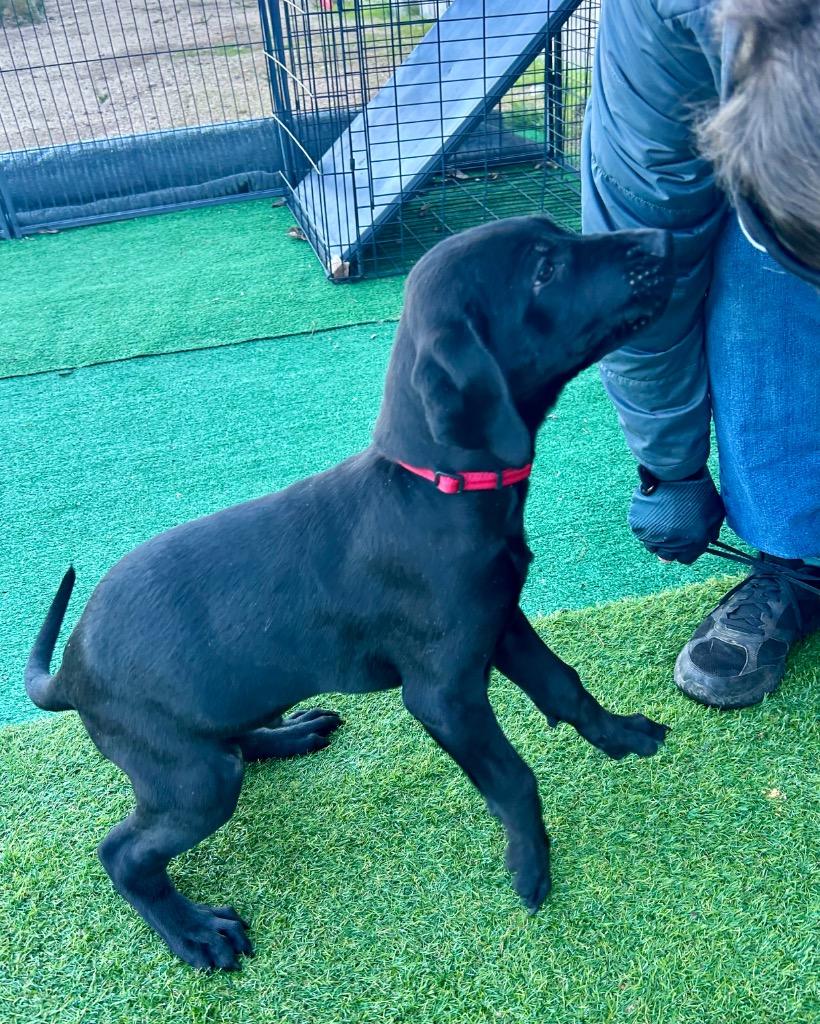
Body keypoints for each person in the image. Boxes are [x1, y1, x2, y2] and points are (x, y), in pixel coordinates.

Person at [582, 0, 820, 709]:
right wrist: (670, 470)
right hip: (734, 121)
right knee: (760, 274)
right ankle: (797, 556)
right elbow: (641, 277)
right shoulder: (665, 25)